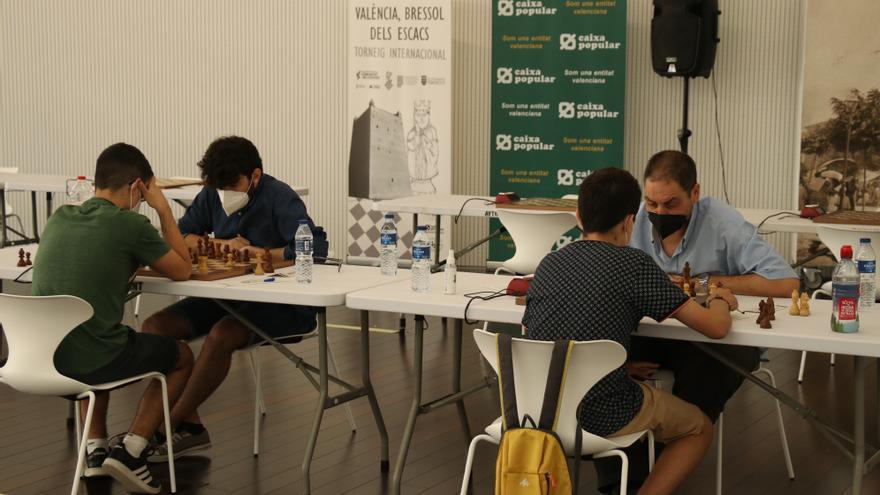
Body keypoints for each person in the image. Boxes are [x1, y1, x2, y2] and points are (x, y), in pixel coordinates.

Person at [523, 167, 738, 495]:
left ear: (579, 216)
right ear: (629, 222)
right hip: (603, 412)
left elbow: (543, 338)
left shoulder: (549, 263)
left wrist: (619, 366)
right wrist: (720, 296)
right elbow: (716, 328)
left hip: (539, 408)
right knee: (698, 428)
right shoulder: (634, 265)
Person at [598, 149, 799, 493]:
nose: (659, 213)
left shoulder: (722, 222)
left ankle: (655, 473)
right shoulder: (634, 218)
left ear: (695, 193)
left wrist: (701, 284)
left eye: (671, 204)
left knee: (708, 372)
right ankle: (624, 483)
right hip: (654, 331)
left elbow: (787, 283)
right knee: (604, 361)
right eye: (652, 204)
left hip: (713, 341)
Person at [141, 136, 327, 461]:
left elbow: (316, 246)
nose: (225, 193)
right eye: (219, 186)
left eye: (232, 184)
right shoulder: (213, 193)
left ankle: (166, 426)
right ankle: (191, 426)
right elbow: (181, 235)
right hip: (225, 296)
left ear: (255, 175)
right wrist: (226, 248)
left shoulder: (279, 196)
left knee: (223, 334)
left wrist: (261, 253)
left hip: (284, 306)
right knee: (155, 325)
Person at [32, 143, 194, 494]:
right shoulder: (130, 224)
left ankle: (95, 451)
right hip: (91, 360)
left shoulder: (59, 217)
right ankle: (133, 451)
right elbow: (182, 269)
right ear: (139, 187)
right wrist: (164, 211)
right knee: (182, 356)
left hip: (43, 357)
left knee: (97, 331)